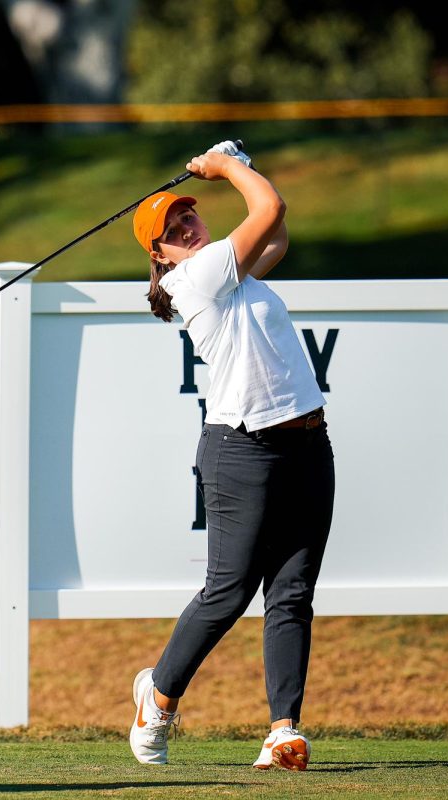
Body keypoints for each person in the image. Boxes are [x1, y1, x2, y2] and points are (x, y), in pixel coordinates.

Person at [126, 141, 335, 771]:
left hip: (306, 443)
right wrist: (226, 168)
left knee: (293, 591)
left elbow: (277, 230)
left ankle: (282, 732)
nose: (186, 224)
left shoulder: (232, 274)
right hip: (239, 450)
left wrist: (235, 164)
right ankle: (156, 699)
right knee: (229, 590)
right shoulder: (195, 277)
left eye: (187, 213)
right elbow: (266, 204)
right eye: (170, 228)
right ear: (159, 257)